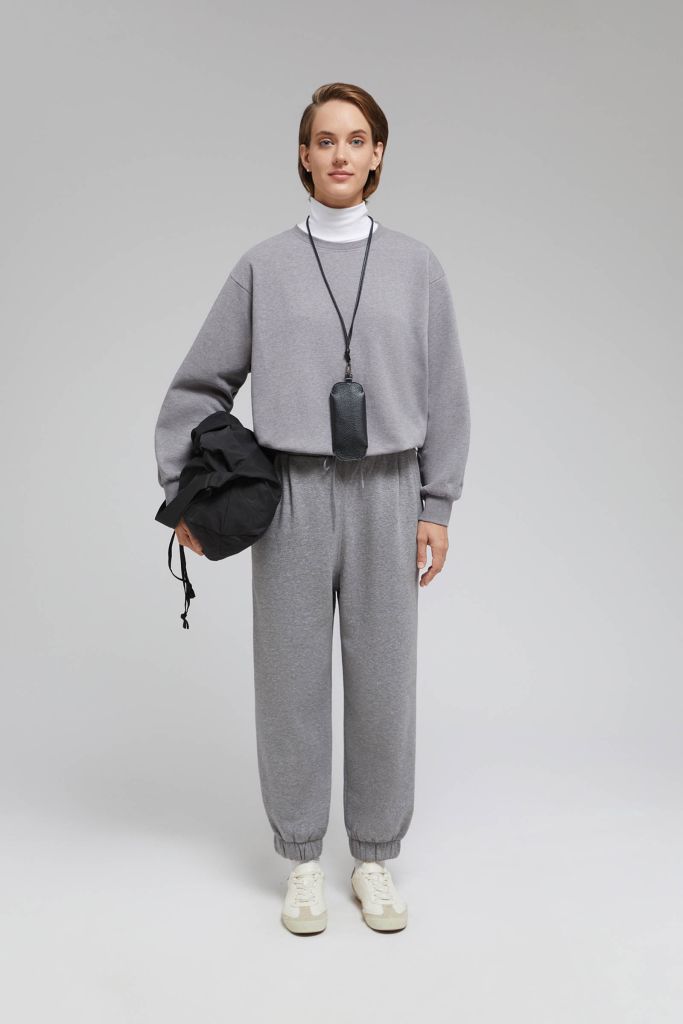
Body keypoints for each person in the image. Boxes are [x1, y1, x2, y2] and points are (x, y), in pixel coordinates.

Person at [153, 82, 471, 934]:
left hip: (388, 491)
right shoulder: (263, 267)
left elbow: (446, 392)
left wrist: (436, 503)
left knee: (384, 682)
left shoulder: (416, 266)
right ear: (303, 155)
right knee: (290, 679)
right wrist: (185, 491)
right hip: (291, 493)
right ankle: (300, 857)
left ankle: (372, 857)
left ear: (377, 154)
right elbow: (199, 383)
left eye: (355, 139)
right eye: (324, 139)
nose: (339, 153)